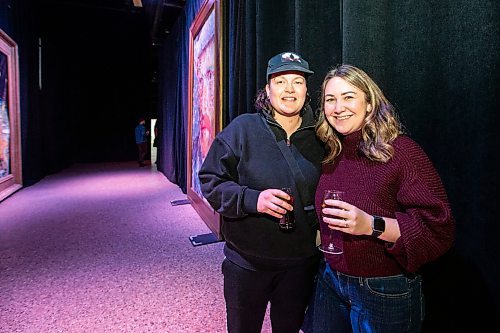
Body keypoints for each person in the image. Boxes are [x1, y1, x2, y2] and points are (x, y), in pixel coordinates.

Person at [312, 64, 456, 333]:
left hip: (382, 288)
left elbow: (439, 229)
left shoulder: (401, 151)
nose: (338, 107)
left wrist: (371, 225)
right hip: (331, 279)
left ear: (369, 103)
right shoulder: (334, 153)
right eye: (330, 99)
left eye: (348, 96)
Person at [199, 52, 325, 333]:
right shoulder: (242, 129)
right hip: (246, 263)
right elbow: (210, 179)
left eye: (297, 81)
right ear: (268, 90)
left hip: (300, 265)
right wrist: (252, 199)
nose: (289, 89)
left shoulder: (323, 135)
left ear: (307, 90)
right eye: (280, 81)